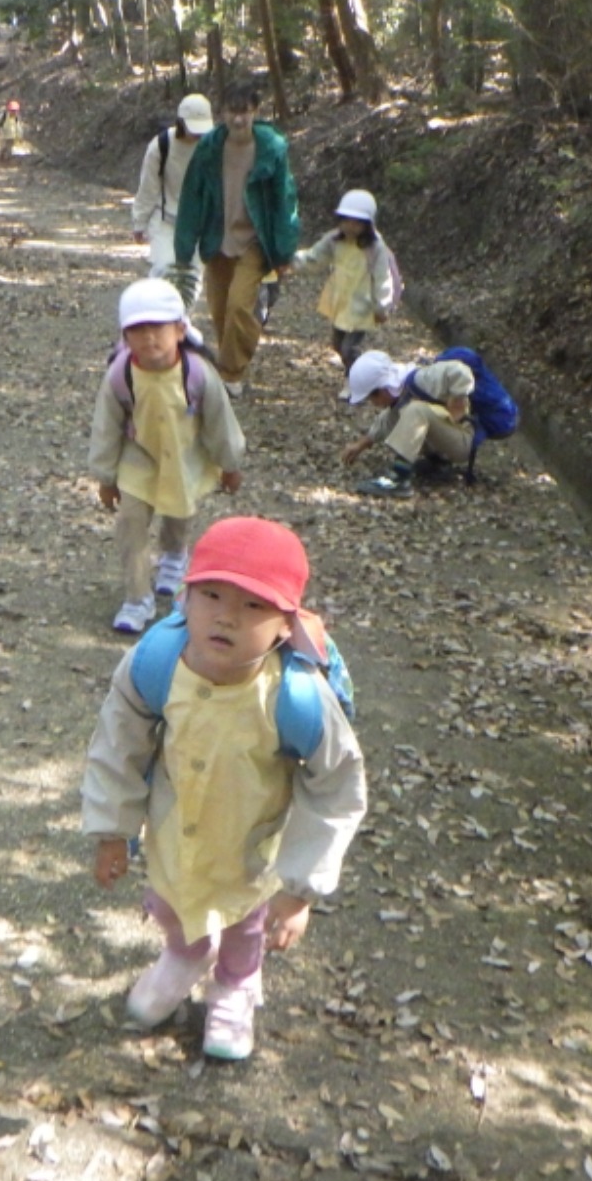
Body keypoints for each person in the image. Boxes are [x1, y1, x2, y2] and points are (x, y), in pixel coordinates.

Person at [81, 516, 368, 1061]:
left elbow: (336, 788)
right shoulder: (155, 664)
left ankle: (235, 984)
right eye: (211, 594)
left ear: (286, 625)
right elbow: (118, 742)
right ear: (185, 597)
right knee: (168, 900)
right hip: (173, 826)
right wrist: (113, 829)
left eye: (253, 606)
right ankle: (184, 954)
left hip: (250, 842)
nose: (227, 616)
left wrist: (300, 887)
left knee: (243, 924)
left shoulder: (296, 698)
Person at [88, 279, 245, 635]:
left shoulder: (197, 373)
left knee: (179, 509)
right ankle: (137, 596)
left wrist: (230, 463)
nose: (148, 339)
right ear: (125, 336)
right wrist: (106, 477)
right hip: (137, 458)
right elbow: (106, 426)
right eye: (137, 331)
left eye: (157, 328)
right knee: (131, 525)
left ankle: (175, 556)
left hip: (185, 454)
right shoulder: (120, 375)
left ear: (179, 329)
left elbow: (220, 421)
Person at [171, 83, 300, 397]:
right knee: (219, 308)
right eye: (232, 111)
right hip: (219, 238)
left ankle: (228, 373)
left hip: (256, 239)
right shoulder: (209, 148)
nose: (238, 119)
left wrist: (284, 251)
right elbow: (193, 196)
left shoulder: (272, 148)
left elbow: (285, 200)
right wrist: (184, 245)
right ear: (222, 113)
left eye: (244, 112)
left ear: (255, 112)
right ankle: (228, 364)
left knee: (240, 305)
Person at [339, 352, 475, 497]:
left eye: (372, 398)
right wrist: (361, 444)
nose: (374, 404)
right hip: (448, 440)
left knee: (415, 410)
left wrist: (458, 404)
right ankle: (438, 462)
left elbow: (461, 371)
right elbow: (387, 420)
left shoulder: (421, 379)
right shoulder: (401, 394)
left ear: (382, 390)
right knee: (407, 412)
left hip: (464, 441)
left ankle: (398, 480)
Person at [291, 189, 398, 370]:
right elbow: (315, 258)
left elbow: (383, 277)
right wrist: (289, 261)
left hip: (362, 305)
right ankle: (357, 372)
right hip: (341, 301)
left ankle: (356, 379)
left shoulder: (375, 248)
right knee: (338, 345)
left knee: (349, 348)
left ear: (367, 224)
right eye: (346, 221)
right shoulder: (334, 240)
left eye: (357, 223)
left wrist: (382, 306)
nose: (350, 226)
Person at [130, 94, 214, 305]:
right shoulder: (161, 146)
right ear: (181, 122)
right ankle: (155, 319)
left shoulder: (215, 146)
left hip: (199, 227)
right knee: (164, 273)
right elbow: (148, 187)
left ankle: (177, 329)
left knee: (190, 284)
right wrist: (139, 222)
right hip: (166, 221)